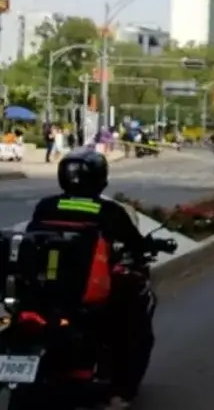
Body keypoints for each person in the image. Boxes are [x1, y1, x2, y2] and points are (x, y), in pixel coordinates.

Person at [30, 150, 154, 409]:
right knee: (134, 327)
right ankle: (121, 392)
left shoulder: (46, 206)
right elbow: (135, 246)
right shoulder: (109, 211)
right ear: (101, 179)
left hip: (43, 288)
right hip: (88, 291)